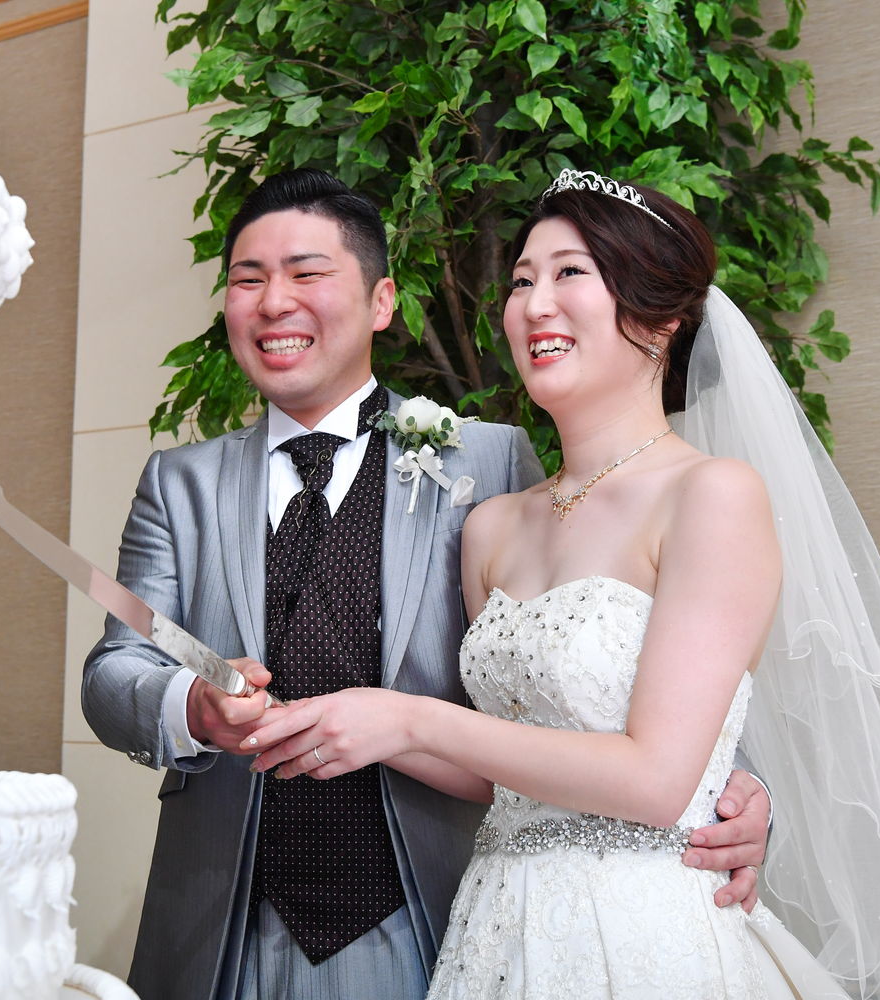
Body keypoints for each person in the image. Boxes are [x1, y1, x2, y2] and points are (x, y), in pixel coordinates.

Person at [243, 169, 880, 999]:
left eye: (570, 273)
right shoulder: (494, 526)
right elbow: (504, 773)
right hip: (495, 928)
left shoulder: (711, 496)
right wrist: (334, 723)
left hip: (643, 932)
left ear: (661, 318)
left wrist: (410, 717)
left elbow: (657, 779)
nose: (535, 305)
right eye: (522, 280)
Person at [81, 168, 774, 1000]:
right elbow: (115, 670)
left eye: (306, 273)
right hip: (228, 920)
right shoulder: (181, 483)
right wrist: (192, 708)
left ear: (382, 301)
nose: (274, 302)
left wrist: (739, 790)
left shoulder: (486, 462)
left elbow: (652, 688)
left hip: (424, 919)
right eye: (248, 280)